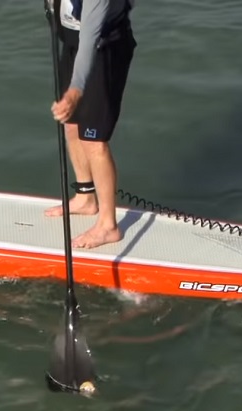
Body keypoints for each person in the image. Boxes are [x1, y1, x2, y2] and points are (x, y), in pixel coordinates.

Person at [46, 0, 137, 249]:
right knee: (71, 126)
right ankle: (86, 199)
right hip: (73, 46)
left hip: (103, 50)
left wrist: (75, 91)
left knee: (93, 140)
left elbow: (89, 43)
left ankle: (108, 225)